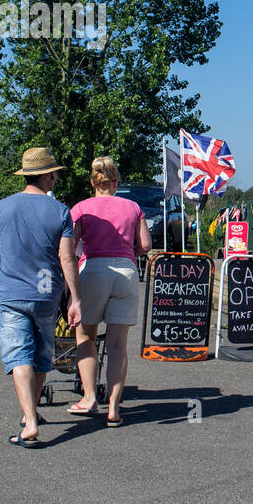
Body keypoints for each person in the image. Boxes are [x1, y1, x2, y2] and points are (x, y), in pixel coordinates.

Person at [0, 147, 82, 448]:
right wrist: (74, 298)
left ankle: (29, 421)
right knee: (41, 356)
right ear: (47, 175)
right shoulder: (60, 211)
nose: (56, 179)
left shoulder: (2, 207)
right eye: (54, 174)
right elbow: (67, 258)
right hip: (46, 294)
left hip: (11, 294)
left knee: (19, 356)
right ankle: (32, 414)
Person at [69, 156, 153, 426]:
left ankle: (89, 396)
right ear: (116, 182)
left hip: (93, 269)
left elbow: (70, 248)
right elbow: (147, 245)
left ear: (93, 182)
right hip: (126, 272)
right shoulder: (133, 207)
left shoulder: (82, 208)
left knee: (85, 337)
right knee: (117, 344)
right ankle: (114, 407)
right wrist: (130, 252)